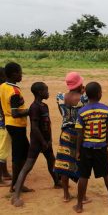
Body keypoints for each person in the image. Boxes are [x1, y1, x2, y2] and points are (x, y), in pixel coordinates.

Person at [11, 82, 61, 207]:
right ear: (40, 93)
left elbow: (47, 125)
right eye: (46, 90)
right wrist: (43, 142)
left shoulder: (44, 106)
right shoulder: (35, 107)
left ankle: (57, 182)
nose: (48, 92)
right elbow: (35, 128)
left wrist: (49, 140)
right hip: (37, 143)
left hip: (45, 142)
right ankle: (15, 196)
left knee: (51, 162)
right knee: (27, 167)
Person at [73, 82, 108, 213]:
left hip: (86, 148)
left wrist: (77, 151)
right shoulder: (106, 109)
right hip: (101, 147)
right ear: (100, 94)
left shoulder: (82, 112)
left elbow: (80, 134)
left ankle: (79, 205)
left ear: (86, 95)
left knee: (83, 176)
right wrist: (106, 144)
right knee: (106, 174)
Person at [54, 72, 89, 203]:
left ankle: (66, 195)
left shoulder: (60, 97)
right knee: (81, 163)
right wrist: (83, 92)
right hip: (80, 134)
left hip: (65, 132)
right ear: (80, 84)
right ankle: (83, 196)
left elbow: (63, 114)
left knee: (64, 162)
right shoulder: (83, 99)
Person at [0, 62, 32, 193]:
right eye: (20, 72)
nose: (21, 75)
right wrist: (30, 110)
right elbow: (15, 112)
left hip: (9, 123)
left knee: (25, 151)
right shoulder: (14, 91)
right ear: (13, 74)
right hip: (16, 125)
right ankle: (15, 186)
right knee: (19, 156)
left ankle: (18, 182)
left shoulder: (2, 86)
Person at [0, 67, 12, 187]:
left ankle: (5, 173)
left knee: (3, 149)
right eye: (4, 76)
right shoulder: (2, 90)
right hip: (3, 124)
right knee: (2, 150)